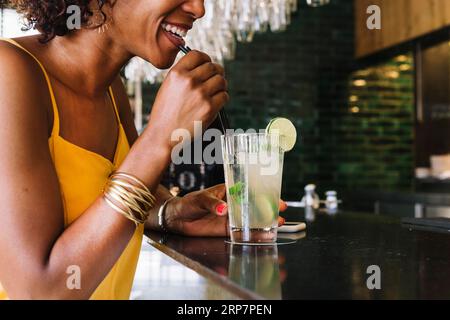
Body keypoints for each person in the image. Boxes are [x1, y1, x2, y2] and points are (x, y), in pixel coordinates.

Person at [0, 0, 286, 300]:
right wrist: (160, 136)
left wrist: (171, 212)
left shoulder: (112, 91)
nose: (199, 9)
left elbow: (103, 194)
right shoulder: (10, 72)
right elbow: (40, 291)